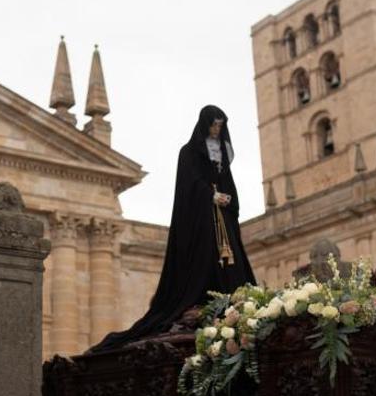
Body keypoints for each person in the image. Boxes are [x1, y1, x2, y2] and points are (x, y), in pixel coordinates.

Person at [90, 105, 256, 352]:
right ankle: (200, 301)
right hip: (200, 219)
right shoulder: (188, 152)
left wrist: (228, 199)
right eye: (214, 124)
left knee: (231, 259)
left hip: (223, 216)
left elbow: (227, 182)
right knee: (205, 255)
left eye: (221, 125)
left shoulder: (221, 153)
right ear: (204, 124)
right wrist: (210, 196)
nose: (217, 129)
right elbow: (188, 185)